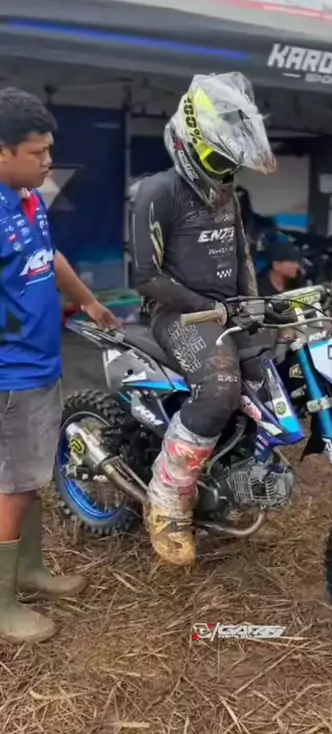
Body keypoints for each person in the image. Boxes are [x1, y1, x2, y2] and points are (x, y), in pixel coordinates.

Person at [131, 71, 276, 567]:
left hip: (226, 311)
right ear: (187, 145)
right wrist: (209, 307)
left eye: (232, 164)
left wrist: (253, 305)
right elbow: (145, 277)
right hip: (174, 314)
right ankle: (166, 499)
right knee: (218, 390)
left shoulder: (227, 195)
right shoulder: (157, 191)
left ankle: (234, 474)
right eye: (218, 161)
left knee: (278, 374)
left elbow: (241, 254)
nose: (225, 173)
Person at [0, 87, 119, 644]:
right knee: (13, 485)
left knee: (30, 478)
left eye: (50, 149)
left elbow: (51, 257)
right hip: (11, 374)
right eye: (37, 151)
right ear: (2, 151)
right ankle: (2, 604)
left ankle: (29, 570)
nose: (49, 161)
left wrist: (87, 300)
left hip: (40, 363)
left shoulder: (27, 199)